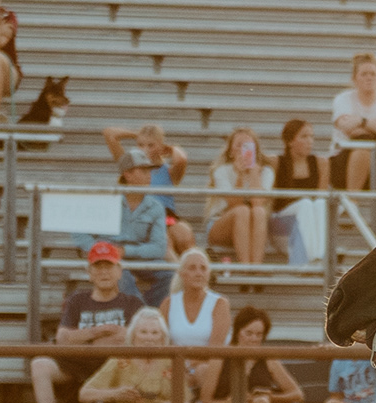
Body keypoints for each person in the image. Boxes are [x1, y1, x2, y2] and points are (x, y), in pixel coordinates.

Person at [30, 240, 144, 403]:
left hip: (115, 370)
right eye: (97, 267)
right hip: (77, 367)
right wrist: (98, 332)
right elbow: (63, 338)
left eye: (109, 266)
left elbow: (131, 338)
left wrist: (83, 339)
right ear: (89, 273)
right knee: (39, 365)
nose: (103, 272)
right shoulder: (77, 300)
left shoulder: (132, 303)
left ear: (119, 271)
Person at [75, 149, 176, 305]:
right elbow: (79, 232)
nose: (149, 175)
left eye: (149, 171)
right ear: (127, 174)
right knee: (121, 276)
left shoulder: (156, 206)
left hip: (139, 258)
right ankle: (140, 313)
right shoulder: (107, 200)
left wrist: (126, 251)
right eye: (143, 170)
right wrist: (100, 250)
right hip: (109, 259)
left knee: (170, 275)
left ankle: (147, 313)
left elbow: (159, 247)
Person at [104, 123, 194, 255]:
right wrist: (137, 134)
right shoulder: (131, 165)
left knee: (184, 233)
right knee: (165, 240)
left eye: (151, 145)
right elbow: (109, 134)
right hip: (141, 215)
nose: (144, 150)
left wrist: (169, 148)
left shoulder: (168, 171)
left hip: (166, 215)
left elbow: (181, 159)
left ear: (160, 146)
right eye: (140, 145)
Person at [161, 248, 232, 399]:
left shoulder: (220, 303)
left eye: (203, 268)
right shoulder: (168, 303)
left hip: (208, 367)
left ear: (208, 274)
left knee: (203, 370)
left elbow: (216, 349)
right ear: (182, 273)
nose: (199, 273)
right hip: (177, 367)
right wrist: (180, 368)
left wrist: (191, 367)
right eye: (192, 268)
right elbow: (162, 344)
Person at [331, 53, 376, 192]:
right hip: (343, 161)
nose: (369, 78)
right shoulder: (343, 99)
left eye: (373, 74)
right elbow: (348, 128)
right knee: (363, 142)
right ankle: (353, 199)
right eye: (364, 74)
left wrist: (362, 121)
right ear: (355, 79)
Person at [205, 128, 275, 263]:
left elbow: (257, 202)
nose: (243, 150)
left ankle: (256, 267)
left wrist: (254, 173)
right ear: (231, 152)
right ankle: (245, 268)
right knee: (242, 211)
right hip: (221, 225)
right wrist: (239, 176)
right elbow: (235, 205)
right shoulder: (221, 171)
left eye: (247, 146)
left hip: (251, 226)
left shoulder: (266, 171)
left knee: (259, 211)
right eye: (239, 145)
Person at [271, 117, 330, 259]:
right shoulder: (276, 162)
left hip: (308, 219)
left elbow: (321, 197)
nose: (310, 141)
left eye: (311, 137)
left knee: (320, 203)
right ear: (290, 141)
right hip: (282, 219)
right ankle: (314, 257)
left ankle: (319, 255)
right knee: (305, 203)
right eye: (304, 137)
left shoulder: (321, 163)